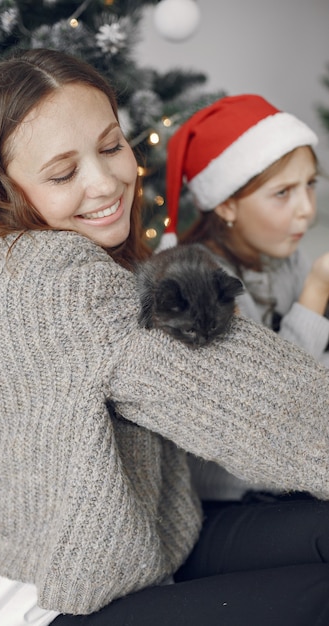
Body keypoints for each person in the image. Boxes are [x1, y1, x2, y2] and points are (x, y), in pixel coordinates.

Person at [0, 49, 329, 626]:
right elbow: (241, 395)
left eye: (111, 147)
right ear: (2, 188)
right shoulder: (53, 280)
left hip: (135, 551)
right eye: (62, 173)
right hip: (56, 600)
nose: (106, 181)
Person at [160, 94, 329, 502]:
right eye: (283, 193)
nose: (306, 209)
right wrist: (317, 289)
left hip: (290, 469)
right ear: (228, 204)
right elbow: (270, 402)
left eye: (310, 184)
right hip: (232, 496)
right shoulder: (201, 283)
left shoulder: (280, 259)